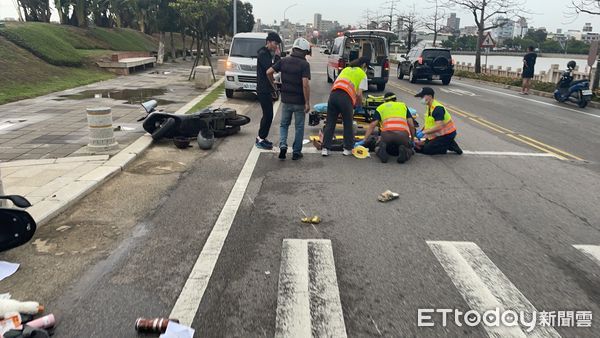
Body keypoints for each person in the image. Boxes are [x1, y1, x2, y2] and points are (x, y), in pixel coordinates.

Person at [267, 37, 311, 160]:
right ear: (304, 51)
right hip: (299, 102)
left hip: (286, 100)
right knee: (299, 126)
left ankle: (283, 145)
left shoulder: (283, 61)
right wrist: (307, 102)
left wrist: (274, 85)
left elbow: (268, 72)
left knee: (284, 125)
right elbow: (305, 84)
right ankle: (296, 152)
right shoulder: (304, 64)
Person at [321, 56, 369, 156]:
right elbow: (359, 94)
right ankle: (347, 149)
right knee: (348, 123)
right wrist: (359, 106)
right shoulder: (362, 74)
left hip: (333, 95)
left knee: (330, 123)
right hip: (345, 98)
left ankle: (325, 148)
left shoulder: (346, 69)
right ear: (364, 65)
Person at [362, 92, 416, 164]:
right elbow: (411, 125)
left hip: (386, 135)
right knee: (409, 149)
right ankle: (405, 153)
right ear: (395, 100)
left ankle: (381, 151)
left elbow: (372, 125)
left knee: (377, 146)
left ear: (385, 101)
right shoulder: (403, 106)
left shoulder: (381, 107)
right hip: (402, 135)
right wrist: (412, 139)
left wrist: (365, 139)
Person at [413, 87, 462, 155]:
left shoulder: (438, 108)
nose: (421, 99)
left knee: (427, 150)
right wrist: (422, 130)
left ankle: (449, 145)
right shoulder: (429, 106)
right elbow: (430, 122)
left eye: (422, 97)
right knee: (419, 145)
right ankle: (446, 143)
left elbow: (439, 126)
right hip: (437, 134)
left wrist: (424, 132)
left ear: (430, 96)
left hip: (447, 134)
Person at [255, 32, 282, 150]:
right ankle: (260, 138)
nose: (276, 46)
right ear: (268, 42)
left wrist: (273, 85)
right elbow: (271, 69)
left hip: (266, 88)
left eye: (277, 44)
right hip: (262, 89)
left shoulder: (266, 53)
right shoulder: (262, 54)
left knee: (268, 115)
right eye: (275, 43)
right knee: (268, 114)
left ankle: (262, 137)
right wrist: (277, 57)